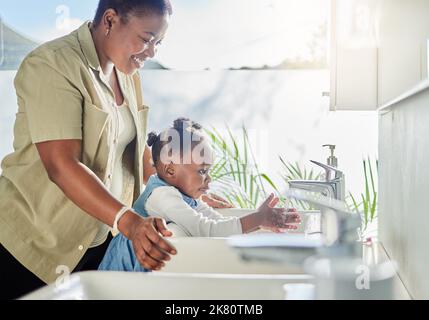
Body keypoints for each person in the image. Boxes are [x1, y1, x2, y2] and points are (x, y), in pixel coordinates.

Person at [0, 0, 217, 300]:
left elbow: (138, 151)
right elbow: (62, 166)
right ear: (110, 20)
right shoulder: (52, 64)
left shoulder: (128, 74)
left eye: (159, 43)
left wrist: (187, 191)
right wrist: (129, 222)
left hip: (96, 241)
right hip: (31, 245)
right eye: (146, 39)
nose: (152, 51)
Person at [98, 118, 301, 272]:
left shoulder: (183, 195)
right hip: (125, 268)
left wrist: (259, 224)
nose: (209, 179)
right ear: (170, 171)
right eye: (202, 171)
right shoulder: (162, 196)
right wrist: (256, 219)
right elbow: (208, 230)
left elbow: (215, 221)